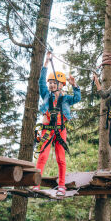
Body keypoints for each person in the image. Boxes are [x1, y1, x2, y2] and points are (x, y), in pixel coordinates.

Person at [33, 52, 81, 196]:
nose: (52, 85)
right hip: (47, 130)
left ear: (61, 85)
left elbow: (77, 98)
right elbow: (41, 81)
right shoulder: (46, 95)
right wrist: (46, 63)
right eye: (51, 83)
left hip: (61, 131)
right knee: (43, 156)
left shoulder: (66, 99)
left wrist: (75, 85)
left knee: (61, 159)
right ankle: (36, 184)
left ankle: (61, 185)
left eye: (55, 83)